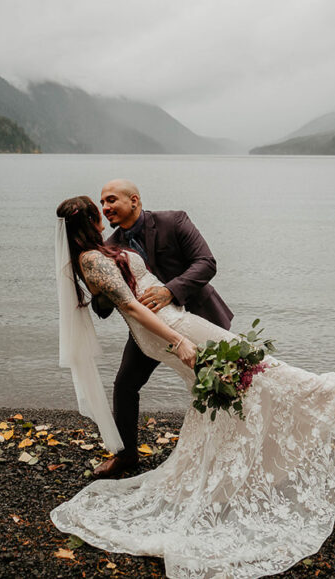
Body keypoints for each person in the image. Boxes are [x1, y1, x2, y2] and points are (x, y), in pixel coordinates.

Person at [51, 195, 335, 579]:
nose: (105, 212)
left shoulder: (104, 249)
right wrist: (178, 340)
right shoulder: (91, 259)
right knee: (248, 359)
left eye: (111, 200)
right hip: (170, 328)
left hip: (173, 316)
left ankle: (224, 469)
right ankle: (331, 390)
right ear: (89, 220)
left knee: (219, 394)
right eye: (98, 207)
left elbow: (192, 268)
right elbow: (132, 307)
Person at [92, 179, 233, 479]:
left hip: (198, 317)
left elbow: (206, 263)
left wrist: (170, 291)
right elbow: (104, 309)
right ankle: (126, 455)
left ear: (135, 200)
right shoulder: (108, 249)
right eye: (102, 202)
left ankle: (228, 447)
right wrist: (98, 292)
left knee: (222, 385)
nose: (105, 208)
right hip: (151, 330)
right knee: (125, 385)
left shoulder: (174, 220)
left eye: (111, 200)